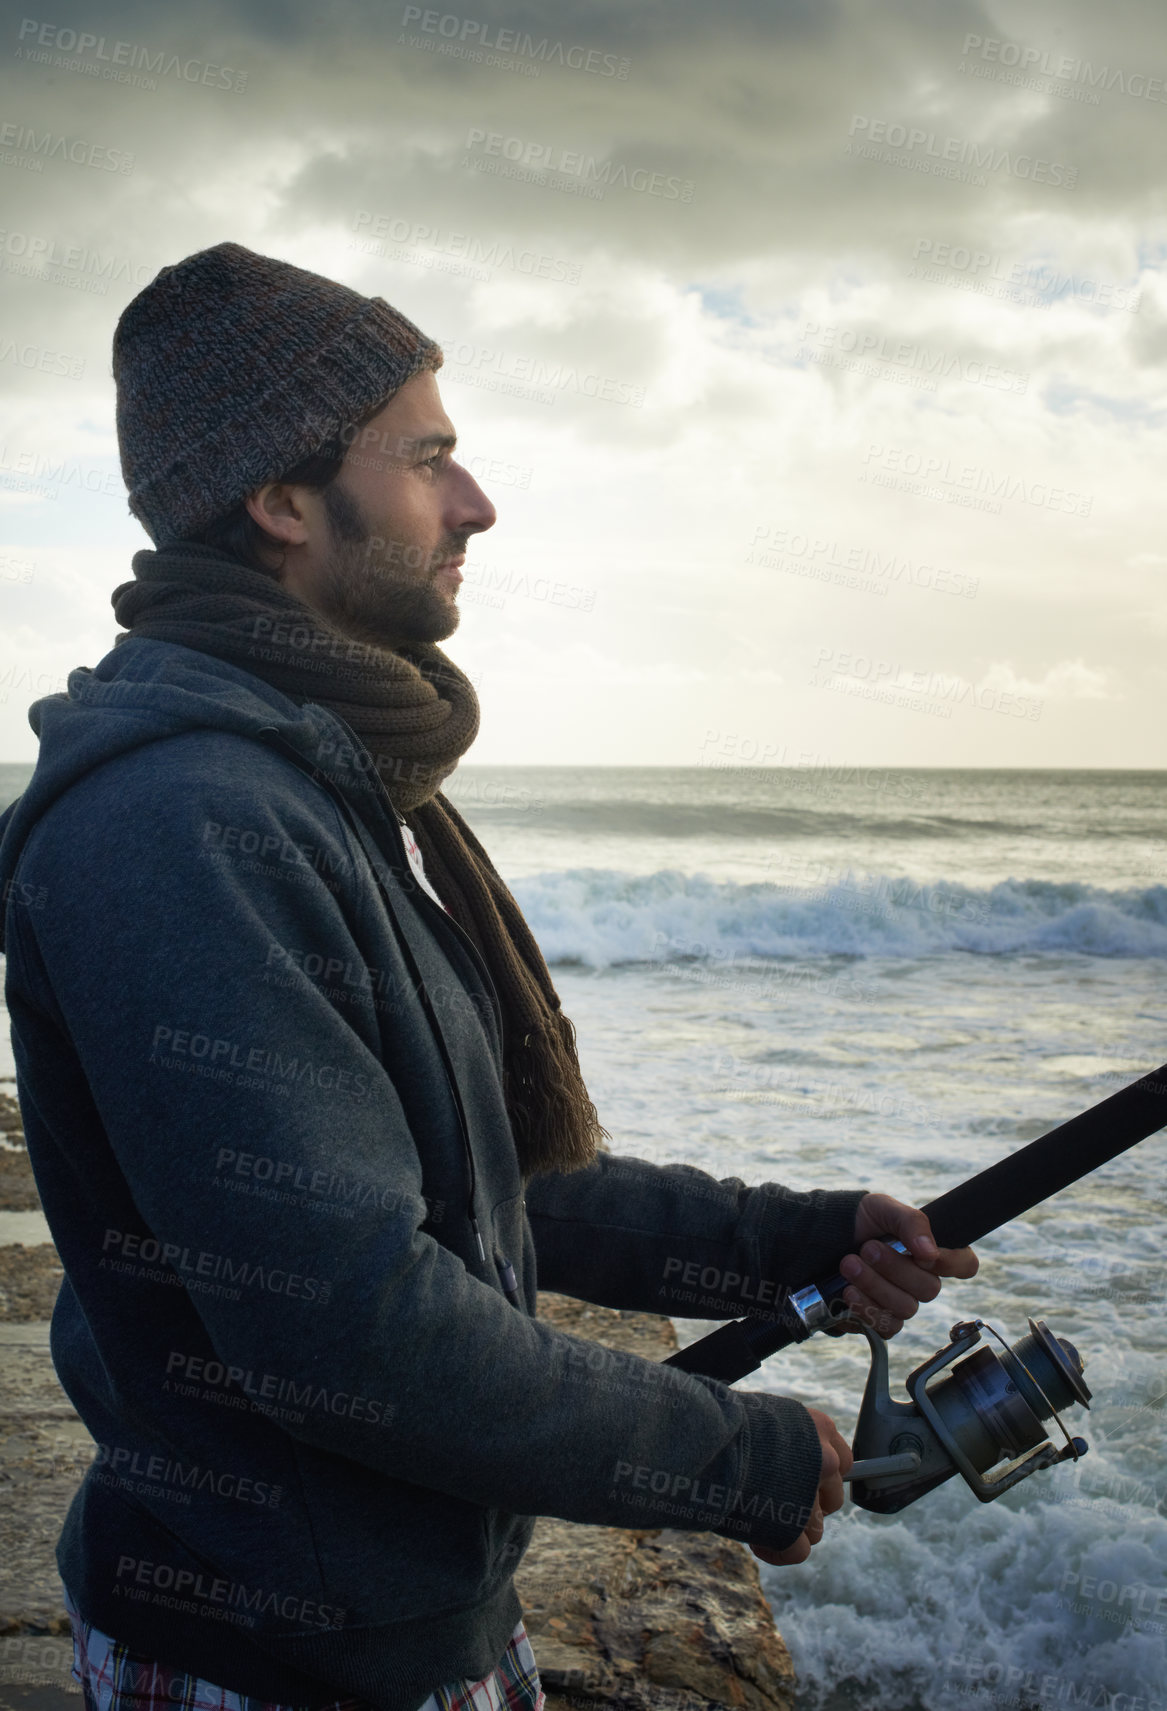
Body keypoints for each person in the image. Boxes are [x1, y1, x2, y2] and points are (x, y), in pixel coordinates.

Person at [0, 243, 977, 1711]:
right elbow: (357, 1322)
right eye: (430, 460)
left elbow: (472, 1188)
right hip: (279, 1660)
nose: (477, 503)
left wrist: (787, 1239)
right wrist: (736, 1461)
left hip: (392, 1621)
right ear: (279, 499)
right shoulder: (189, 820)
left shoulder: (308, 774)